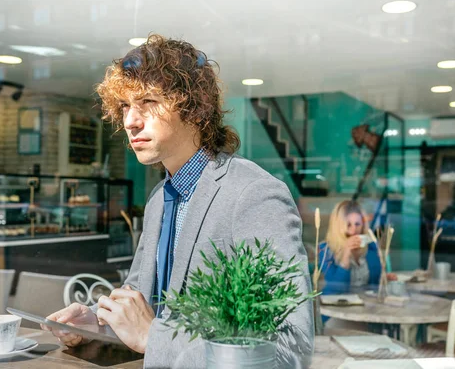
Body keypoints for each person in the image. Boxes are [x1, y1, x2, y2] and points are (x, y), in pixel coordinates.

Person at [43, 34, 313, 368]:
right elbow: (143, 303)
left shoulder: (254, 195)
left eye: (148, 102)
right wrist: (99, 323)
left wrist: (153, 337)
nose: (130, 121)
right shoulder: (160, 198)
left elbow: (289, 347)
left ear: (195, 107)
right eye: (126, 106)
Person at [318, 200, 397, 296]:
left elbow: (374, 284)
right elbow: (335, 289)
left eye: (357, 224)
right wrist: (346, 255)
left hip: (367, 305)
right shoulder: (325, 251)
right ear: (338, 227)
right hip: (337, 306)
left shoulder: (371, 247)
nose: (353, 230)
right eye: (348, 225)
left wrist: (384, 278)